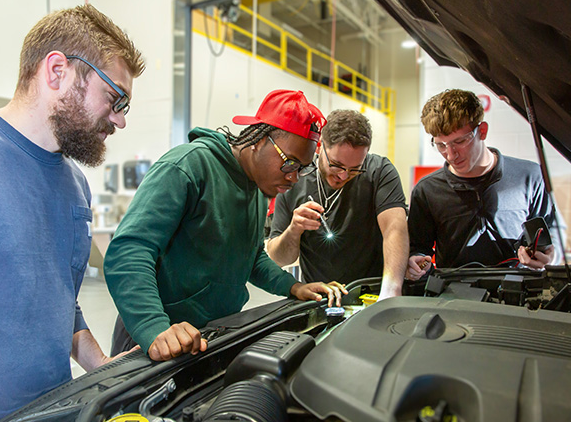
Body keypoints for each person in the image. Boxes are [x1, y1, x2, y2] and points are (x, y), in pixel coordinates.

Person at [0, 4, 145, 422]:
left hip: (56, 418)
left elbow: (61, 298)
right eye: (115, 97)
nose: (120, 120)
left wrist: (98, 363)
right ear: (57, 71)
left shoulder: (75, 182)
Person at [104, 89, 344, 362]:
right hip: (155, 340)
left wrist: (292, 287)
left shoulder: (256, 190)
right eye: (289, 163)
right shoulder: (188, 167)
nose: (293, 178)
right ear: (259, 140)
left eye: (302, 168)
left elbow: (250, 257)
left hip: (209, 336)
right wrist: (153, 327)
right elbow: (129, 250)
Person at [406, 89, 559, 280]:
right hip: (454, 297)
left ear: (482, 131)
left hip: (518, 294)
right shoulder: (427, 190)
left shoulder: (530, 177)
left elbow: (551, 233)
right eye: (441, 145)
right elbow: (418, 248)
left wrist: (550, 256)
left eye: (459, 141)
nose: (451, 154)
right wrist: (416, 261)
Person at [267, 109, 409, 300]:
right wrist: (294, 229)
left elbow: (394, 229)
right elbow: (279, 258)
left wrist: (391, 290)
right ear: (320, 147)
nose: (343, 176)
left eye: (354, 169)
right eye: (336, 165)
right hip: (318, 298)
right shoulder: (295, 178)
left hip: (371, 295)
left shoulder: (379, 171)